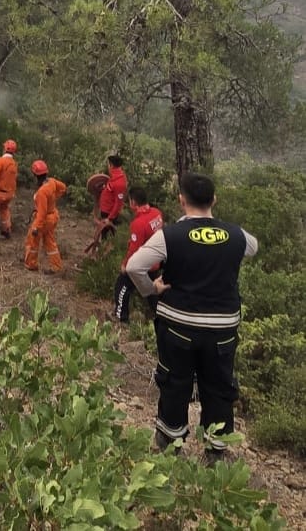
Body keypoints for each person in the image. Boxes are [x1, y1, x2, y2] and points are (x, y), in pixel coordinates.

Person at [126, 172, 258, 462]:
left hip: (179, 324)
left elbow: (135, 266)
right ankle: (215, 452)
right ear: (214, 200)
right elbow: (253, 247)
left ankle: (169, 442)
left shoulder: (170, 235)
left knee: (175, 382)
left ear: (181, 200)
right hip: (223, 328)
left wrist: (153, 289)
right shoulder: (236, 235)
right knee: (219, 387)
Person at [110, 186, 163, 323]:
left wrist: (125, 264)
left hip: (142, 264)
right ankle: (161, 317)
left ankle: (120, 316)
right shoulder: (157, 213)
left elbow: (134, 248)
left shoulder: (138, 223)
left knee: (122, 286)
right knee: (152, 292)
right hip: (156, 262)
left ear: (133, 202)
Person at [24, 160, 67, 273]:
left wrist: (35, 228)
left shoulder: (41, 192)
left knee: (32, 240)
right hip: (53, 215)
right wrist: (53, 199)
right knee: (49, 241)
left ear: (35, 175)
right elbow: (63, 188)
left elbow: (41, 215)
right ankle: (56, 266)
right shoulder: (52, 182)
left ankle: (31, 264)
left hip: (45, 219)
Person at [96, 154, 128, 239]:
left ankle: (107, 250)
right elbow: (111, 187)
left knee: (106, 235)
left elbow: (118, 203)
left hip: (109, 213)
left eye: (108, 164)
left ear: (111, 165)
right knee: (106, 233)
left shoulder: (119, 182)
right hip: (105, 210)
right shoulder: (115, 175)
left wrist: (109, 218)